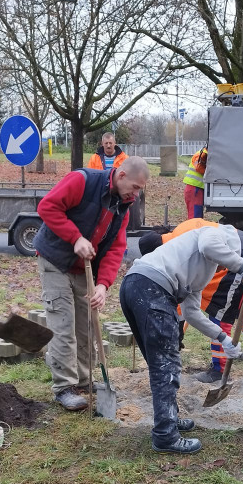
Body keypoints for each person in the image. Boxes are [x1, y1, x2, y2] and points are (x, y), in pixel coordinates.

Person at [120, 223, 243, 454]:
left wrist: (223, 338)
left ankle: (168, 418)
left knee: (159, 363)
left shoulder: (201, 266)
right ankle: (165, 437)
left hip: (136, 286)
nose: (226, 264)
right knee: (166, 366)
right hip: (151, 288)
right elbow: (211, 245)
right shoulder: (214, 233)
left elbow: (192, 313)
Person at [34, 156, 150, 411]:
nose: (136, 193)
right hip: (55, 259)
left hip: (84, 268)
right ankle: (64, 387)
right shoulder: (82, 181)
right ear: (121, 176)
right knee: (63, 323)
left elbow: (116, 248)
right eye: (136, 187)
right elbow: (48, 207)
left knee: (86, 324)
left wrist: (103, 285)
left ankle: (85, 381)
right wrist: (75, 238)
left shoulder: (123, 205)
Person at [138, 218, 243, 384]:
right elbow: (189, 308)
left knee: (219, 309)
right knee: (236, 302)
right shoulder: (179, 236)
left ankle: (219, 370)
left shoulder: (179, 248)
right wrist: (222, 337)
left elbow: (208, 247)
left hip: (239, 251)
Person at [183, 145, 207, 219]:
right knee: (195, 218)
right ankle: (194, 230)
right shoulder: (203, 155)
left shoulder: (202, 153)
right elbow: (199, 168)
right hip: (195, 189)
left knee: (196, 217)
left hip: (194, 189)